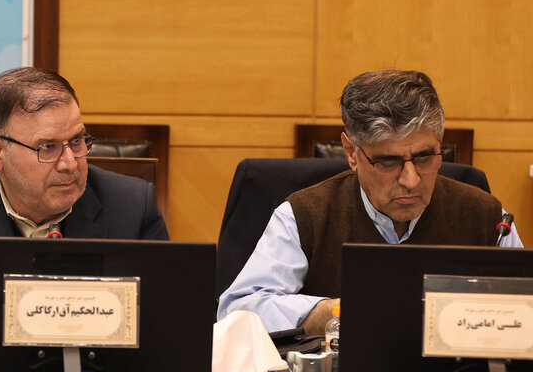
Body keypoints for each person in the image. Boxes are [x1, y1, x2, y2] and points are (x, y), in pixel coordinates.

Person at [219, 69, 522, 334]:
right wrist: (339, 312)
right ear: (352, 153)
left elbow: (525, 310)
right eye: (388, 162)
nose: (411, 180)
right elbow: (239, 312)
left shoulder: (490, 220)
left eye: (424, 157)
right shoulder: (304, 216)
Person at [0, 67, 169, 339]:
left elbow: (167, 315)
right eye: (47, 147)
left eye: (76, 141)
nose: (69, 163)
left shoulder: (133, 206)